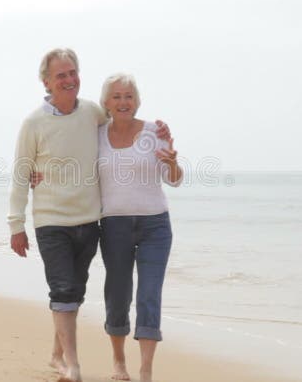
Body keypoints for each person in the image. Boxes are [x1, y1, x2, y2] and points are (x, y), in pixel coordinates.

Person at [8, 49, 170, 382]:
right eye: (61, 75)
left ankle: (58, 354)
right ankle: (73, 366)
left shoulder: (93, 114)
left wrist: (160, 135)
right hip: (52, 220)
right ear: (46, 82)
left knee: (74, 291)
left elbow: (123, 125)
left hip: (89, 221)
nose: (69, 80)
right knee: (65, 290)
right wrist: (16, 224)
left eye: (73, 73)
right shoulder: (33, 123)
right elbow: (21, 172)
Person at [97, 73, 182, 382]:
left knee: (149, 294)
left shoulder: (153, 132)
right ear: (106, 102)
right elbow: (72, 164)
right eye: (117, 96)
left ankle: (145, 369)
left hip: (155, 225)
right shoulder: (96, 134)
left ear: (137, 100)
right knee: (118, 294)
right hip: (114, 225)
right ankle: (119, 362)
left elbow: (174, 179)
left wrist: (172, 162)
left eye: (129, 96)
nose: (123, 102)